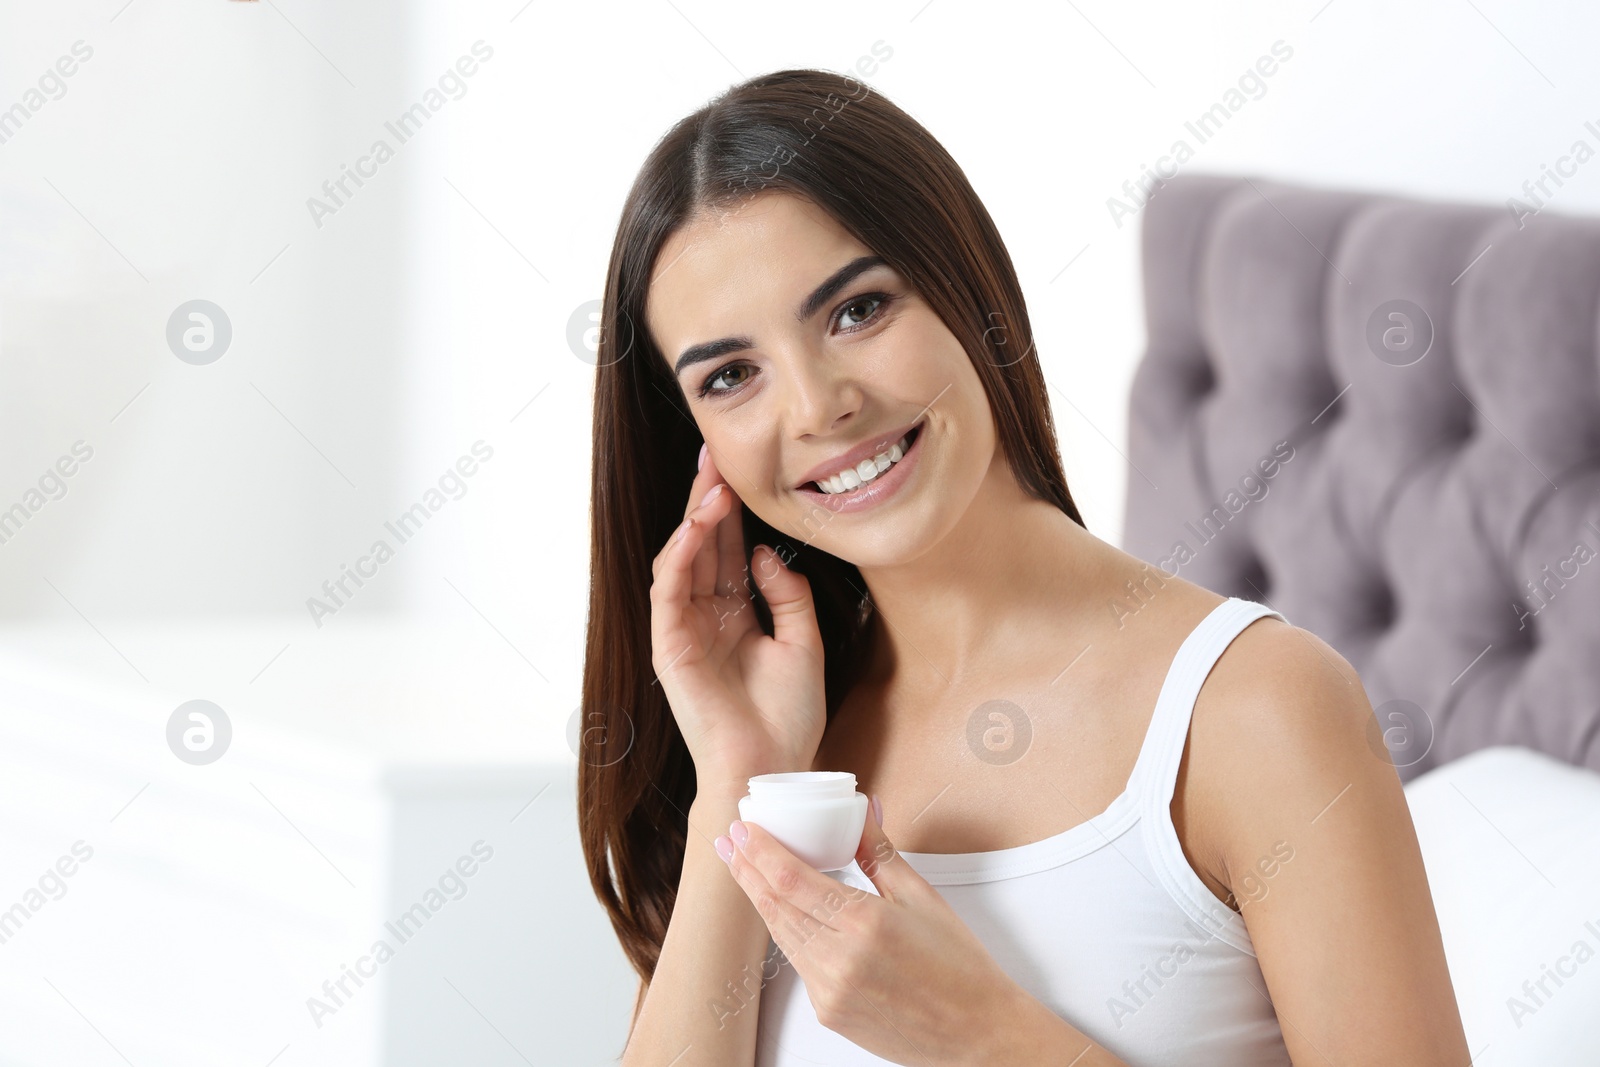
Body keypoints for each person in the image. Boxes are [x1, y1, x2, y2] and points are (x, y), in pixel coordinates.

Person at [578, 67, 1470, 1066]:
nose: (816, 407)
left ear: (968, 287)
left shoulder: (1253, 709)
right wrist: (739, 779)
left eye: (857, 309)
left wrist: (984, 1038)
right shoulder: (780, 748)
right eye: (731, 375)